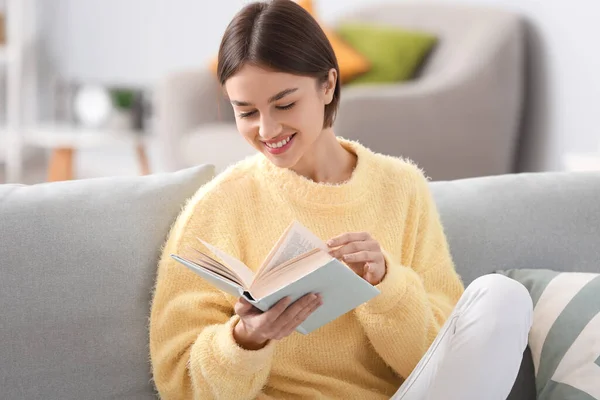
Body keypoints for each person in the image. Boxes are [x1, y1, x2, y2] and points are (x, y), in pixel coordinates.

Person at [149, 1, 533, 399]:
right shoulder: (218, 206)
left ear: (328, 85)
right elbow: (180, 384)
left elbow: (448, 357)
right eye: (246, 112)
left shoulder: (401, 187)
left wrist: (387, 285)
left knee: (503, 297)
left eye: (285, 104)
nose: (267, 129)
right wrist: (246, 339)